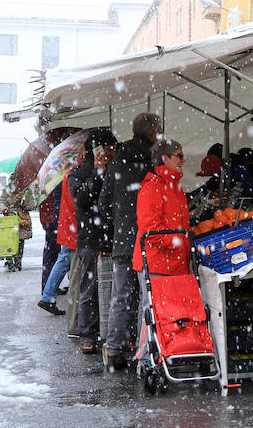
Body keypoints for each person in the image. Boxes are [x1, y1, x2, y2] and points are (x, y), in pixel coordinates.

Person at [100, 112, 162, 370]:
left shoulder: (117, 161)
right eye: (158, 129)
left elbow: (103, 204)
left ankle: (113, 351)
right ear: (151, 133)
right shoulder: (153, 159)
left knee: (121, 295)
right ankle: (143, 353)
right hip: (147, 238)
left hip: (123, 239)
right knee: (147, 297)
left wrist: (117, 224)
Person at [132, 139, 192, 363]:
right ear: (165, 158)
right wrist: (177, 241)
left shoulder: (173, 186)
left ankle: (166, 354)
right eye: (179, 155)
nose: (183, 160)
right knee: (153, 312)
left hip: (172, 262)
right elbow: (151, 229)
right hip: (157, 263)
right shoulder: (153, 186)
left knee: (168, 313)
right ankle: (145, 359)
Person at [69, 128, 119, 354]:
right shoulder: (79, 171)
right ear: (97, 150)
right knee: (90, 288)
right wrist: (98, 172)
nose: (112, 153)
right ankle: (87, 335)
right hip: (90, 237)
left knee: (116, 287)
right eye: (109, 149)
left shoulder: (116, 169)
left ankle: (114, 333)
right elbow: (82, 199)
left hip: (114, 235)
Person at [38, 159, 82, 316]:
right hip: (67, 223)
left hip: (64, 222)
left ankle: (48, 295)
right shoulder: (70, 173)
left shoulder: (60, 173)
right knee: (64, 258)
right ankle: (48, 295)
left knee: (64, 258)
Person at [39, 182, 63, 295]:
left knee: (51, 253)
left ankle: (50, 285)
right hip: (52, 219)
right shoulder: (51, 183)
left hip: (48, 218)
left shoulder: (45, 180)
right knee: (52, 254)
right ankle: (48, 287)